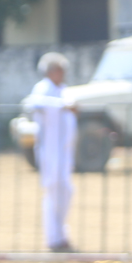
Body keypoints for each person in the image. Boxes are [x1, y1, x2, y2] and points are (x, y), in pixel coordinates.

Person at [27, 52, 77, 252]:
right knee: (52, 192)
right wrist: (62, 106)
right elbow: (35, 104)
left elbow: (73, 105)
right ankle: (53, 238)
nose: (63, 74)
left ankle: (61, 233)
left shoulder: (63, 89)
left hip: (65, 151)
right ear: (51, 71)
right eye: (60, 70)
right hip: (49, 150)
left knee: (66, 192)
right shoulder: (43, 88)